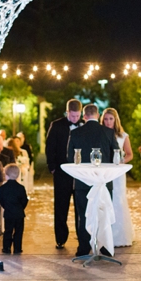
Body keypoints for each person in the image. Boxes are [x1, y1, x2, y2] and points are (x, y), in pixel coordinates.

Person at [67, 104, 119, 257]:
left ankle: (83, 247)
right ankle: (105, 247)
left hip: (83, 183)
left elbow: (70, 158)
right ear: (98, 115)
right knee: (103, 212)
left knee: (83, 214)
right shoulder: (108, 132)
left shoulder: (75, 133)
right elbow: (115, 158)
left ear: (84, 116)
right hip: (104, 182)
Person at [46, 98, 82, 249]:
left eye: (77, 116)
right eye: (72, 116)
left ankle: (82, 237)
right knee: (61, 206)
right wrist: (52, 167)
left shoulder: (85, 126)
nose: (75, 118)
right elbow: (50, 147)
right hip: (61, 172)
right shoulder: (56, 125)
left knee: (81, 207)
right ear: (67, 112)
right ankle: (60, 238)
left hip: (80, 173)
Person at [101, 107, 134, 247]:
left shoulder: (122, 136)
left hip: (118, 173)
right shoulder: (100, 134)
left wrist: (120, 162)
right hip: (104, 173)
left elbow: (129, 154)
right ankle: (104, 235)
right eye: (106, 119)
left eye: (111, 119)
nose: (108, 122)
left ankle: (119, 236)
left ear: (115, 120)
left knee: (118, 201)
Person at [0, 163, 28, 254]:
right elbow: (24, 200)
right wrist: (21, 208)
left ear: (6, 175)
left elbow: (1, 201)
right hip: (19, 213)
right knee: (18, 231)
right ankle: (17, 248)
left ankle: (6, 248)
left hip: (8, 213)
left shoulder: (2, 188)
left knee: (8, 231)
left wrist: (7, 207)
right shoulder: (21, 188)